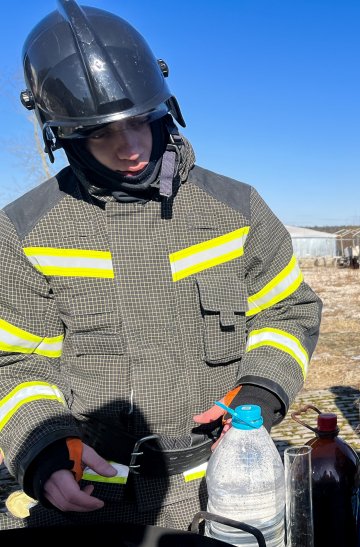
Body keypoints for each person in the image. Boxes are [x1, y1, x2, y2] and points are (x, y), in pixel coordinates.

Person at [0, 0, 321, 531]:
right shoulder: (26, 231)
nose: (129, 147)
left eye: (138, 121)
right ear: (64, 136)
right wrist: (43, 449)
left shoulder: (234, 208)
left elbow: (288, 310)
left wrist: (260, 392)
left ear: (163, 107)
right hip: (93, 501)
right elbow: (11, 363)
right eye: (101, 133)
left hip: (226, 488)